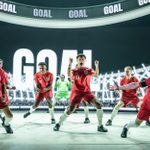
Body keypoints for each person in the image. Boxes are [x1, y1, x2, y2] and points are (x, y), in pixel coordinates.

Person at [53, 54, 108, 132]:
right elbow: (69, 74)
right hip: (77, 92)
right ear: (77, 60)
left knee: (98, 104)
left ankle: (100, 126)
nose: (81, 60)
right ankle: (58, 124)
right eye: (79, 59)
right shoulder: (74, 71)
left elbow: (96, 75)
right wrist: (70, 63)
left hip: (87, 92)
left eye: (82, 59)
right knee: (71, 109)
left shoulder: (88, 69)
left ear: (85, 60)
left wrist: (96, 66)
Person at [0, 59, 13, 133]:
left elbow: (4, 84)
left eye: (0, 63)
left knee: (10, 116)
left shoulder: (2, 72)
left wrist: (4, 96)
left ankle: (6, 124)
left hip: (1, 97)